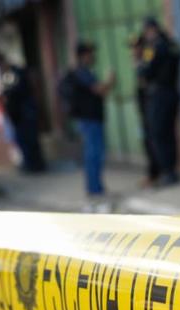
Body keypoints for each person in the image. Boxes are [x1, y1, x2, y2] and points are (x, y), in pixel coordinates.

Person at [68, 41, 115, 198]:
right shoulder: (81, 72)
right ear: (83, 55)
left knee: (95, 153)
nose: (93, 56)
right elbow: (99, 90)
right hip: (89, 119)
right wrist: (110, 80)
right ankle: (94, 189)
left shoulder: (85, 71)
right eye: (90, 53)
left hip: (92, 118)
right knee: (93, 153)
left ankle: (96, 187)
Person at [140, 17, 180, 185]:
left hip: (160, 95)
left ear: (151, 30)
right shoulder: (172, 44)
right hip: (173, 92)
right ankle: (172, 170)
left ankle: (167, 171)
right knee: (169, 133)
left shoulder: (153, 47)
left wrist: (140, 66)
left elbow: (146, 70)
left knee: (158, 133)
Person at [0, 55, 46, 174]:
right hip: (19, 115)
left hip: (25, 114)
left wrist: (4, 94)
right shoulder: (9, 75)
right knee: (24, 141)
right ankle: (31, 164)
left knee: (29, 140)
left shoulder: (14, 73)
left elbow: (14, 92)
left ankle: (34, 165)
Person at [131, 35, 159, 187]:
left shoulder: (147, 63)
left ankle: (155, 174)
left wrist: (139, 66)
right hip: (145, 111)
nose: (133, 52)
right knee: (148, 142)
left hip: (151, 110)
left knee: (153, 142)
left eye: (136, 48)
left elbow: (145, 84)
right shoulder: (140, 64)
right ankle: (153, 174)